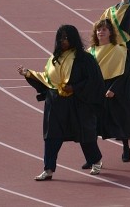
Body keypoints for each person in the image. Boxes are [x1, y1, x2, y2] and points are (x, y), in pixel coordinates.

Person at [18, 24, 104, 180]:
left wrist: (74, 87)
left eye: (66, 38)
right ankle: (48, 169)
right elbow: (47, 79)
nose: (63, 41)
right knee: (51, 136)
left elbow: (94, 80)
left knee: (84, 134)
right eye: (60, 38)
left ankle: (95, 160)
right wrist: (28, 74)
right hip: (55, 103)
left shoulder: (84, 59)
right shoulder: (54, 58)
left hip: (78, 102)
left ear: (73, 39)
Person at [89, 19, 130, 163]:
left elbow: (125, 72)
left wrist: (113, 89)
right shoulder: (90, 52)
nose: (100, 32)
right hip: (97, 89)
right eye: (98, 29)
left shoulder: (118, 50)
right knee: (92, 124)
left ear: (110, 32)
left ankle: (126, 147)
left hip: (115, 90)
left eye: (104, 29)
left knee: (119, 120)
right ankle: (93, 157)